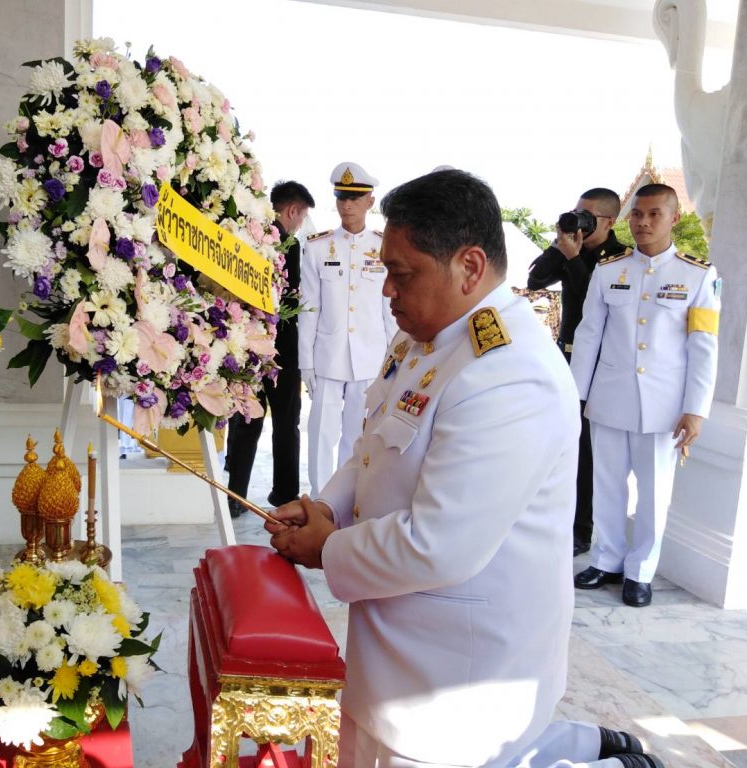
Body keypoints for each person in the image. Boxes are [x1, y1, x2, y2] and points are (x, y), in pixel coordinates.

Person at [267, 169, 662, 768]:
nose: (387, 293)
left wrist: (329, 548)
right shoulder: (424, 339)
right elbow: (375, 446)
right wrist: (328, 506)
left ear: (469, 267)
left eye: (402, 276)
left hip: (457, 680)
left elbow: (439, 544)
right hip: (397, 649)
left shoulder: (506, 371)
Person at [571, 183, 720, 608]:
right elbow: (589, 336)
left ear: (674, 218)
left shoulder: (697, 275)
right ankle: (606, 558)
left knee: (654, 493)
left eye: (655, 214)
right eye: (637, 214)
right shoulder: (608, 270)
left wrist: (696, 409)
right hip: (610, 397)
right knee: (607, 485)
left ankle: (640, 572)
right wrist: (575, 397)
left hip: (664, 406)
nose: (643, 222)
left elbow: (703, 346)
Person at [528, 188, 629, 556]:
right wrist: (562, 248)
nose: (580, 221)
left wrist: (574, 259)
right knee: (560, 442)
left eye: (588, 216)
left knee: (587, 450)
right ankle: (555, 516)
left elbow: (599, 301)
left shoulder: (620, 259)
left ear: (609, 221)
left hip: (601, 365)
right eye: (577, 212)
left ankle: (582, 530)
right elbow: (536, 279)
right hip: (565, 358)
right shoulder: (570, 246)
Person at [298, 162, 396, 495]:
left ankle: (345, 496)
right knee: (321, 431)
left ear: (370, 201)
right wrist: (305, 362)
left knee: (357, 433)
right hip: (327, 355)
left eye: (355, 198)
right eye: (341, 197)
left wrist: (394, 360)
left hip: (370, 356)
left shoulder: (384, 247)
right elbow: (309, 308)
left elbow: (389, 310)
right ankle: (320, 496)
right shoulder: (316, 246)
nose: (346, 205)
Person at [225, 181, 315, 517]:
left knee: (246, 420)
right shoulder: (287, 243)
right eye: (302, 217)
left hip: (248, 346)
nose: (300, 225)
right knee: (286, 424)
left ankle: (236, 495)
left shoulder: (248, 237)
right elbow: (291, 296)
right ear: (292, 211)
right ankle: (285, 496)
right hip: (283, 352)